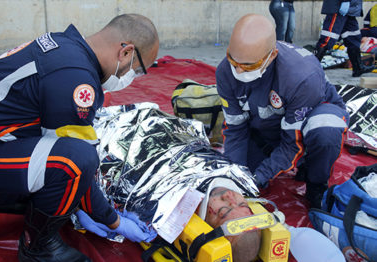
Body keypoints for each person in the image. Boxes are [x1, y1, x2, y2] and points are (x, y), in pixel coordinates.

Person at [0, 13, 159, 262]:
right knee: (78, 161)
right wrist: (113, 220)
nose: (132, 78)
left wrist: (85, 204)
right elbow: (77, 161)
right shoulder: (74, 77)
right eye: (137, 71)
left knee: (66, 186)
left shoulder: (66, 46)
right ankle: (38, 248)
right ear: (125, 52)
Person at [74, 105, 262, 262]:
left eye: (223, 210)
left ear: (203, 225)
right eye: (241, 203)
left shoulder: (153, 212)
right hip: (155, 122)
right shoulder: (233, 175)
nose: (229, 196)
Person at [216, 14, 349, 209]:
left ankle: (316, 185)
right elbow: (235, 130)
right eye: (234, 61)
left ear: (272, 56)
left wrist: (261, 175)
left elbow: (291, 143)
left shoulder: (301, 76)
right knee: (242, 174)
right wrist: (237, 175)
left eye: (249, 66)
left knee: (325, 131)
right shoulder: (225, 72)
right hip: (270, 128)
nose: (240, 71)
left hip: (309, 120)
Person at [314, 0, 374, 77]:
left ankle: (358, 68)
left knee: (353, 39)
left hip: (350, 9)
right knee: (327, 39)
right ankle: (311, 69)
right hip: (338, 7)